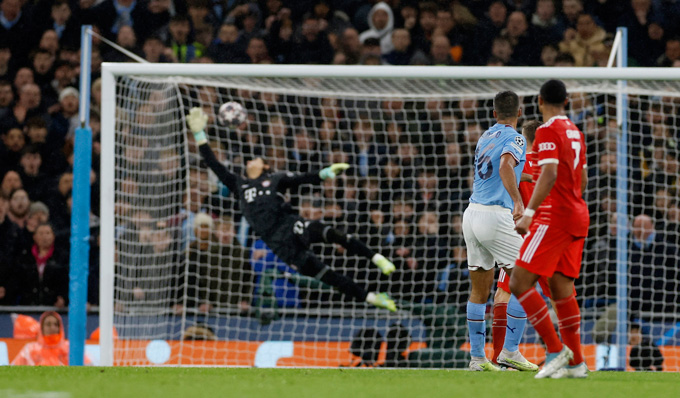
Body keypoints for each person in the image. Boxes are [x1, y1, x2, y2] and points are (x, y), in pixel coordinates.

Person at [186, 107, 397, 312]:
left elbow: (301, 179)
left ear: (265, 167)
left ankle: (376, 258)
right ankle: (373, 298)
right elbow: (214, 164)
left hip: (288, 224)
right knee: (324, 274)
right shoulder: (239, 185)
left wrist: (324, 173)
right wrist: (199, 134)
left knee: (329, 233)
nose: (251, 160)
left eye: (257, 159)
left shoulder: (274, 180)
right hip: (276, 242)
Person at [511, 79, 589, 379]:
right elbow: (582, 179)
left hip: (555, 216)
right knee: (561, 290)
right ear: (566, 102)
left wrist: (531, 212)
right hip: (578, 215)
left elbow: (550, 172)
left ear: (540, 101)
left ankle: (556, 350)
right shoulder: (575, 132)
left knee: (519, 282)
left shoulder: (546, 130)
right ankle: (577, 363)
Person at [462, 91, 536, 371]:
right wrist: (518, 200)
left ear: (494, 114)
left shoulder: (486, 136)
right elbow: (506, 165)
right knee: (527, 278)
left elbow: (498, 169)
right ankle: (510, 351)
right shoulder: (516, 138)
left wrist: (528, 176)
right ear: (519, 113)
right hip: (495, 214)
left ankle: (478, 359)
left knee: (479, 291)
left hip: (471, 215)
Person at [491, 120, 544, 368]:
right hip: (545, 237)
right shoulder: (550, 165)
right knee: (561, 297)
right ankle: (570, 358)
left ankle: (499, 356)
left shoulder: (516, 161)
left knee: (504, 292)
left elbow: (501, 173)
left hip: (517, 233)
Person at [11, 311, 91, 365]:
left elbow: (89, 367)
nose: (52, 327)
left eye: (56, 324)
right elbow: (13, 369)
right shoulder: (30, 349)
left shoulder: (70, 349)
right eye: (48, 324)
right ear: (41, 328)